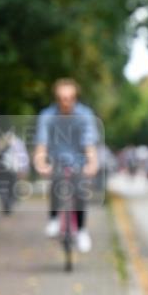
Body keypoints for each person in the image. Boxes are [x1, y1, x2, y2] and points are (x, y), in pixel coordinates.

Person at [33, 78, 99, 252]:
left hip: (79, 160)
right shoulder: (47, 116)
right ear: (57, 98)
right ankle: (54, 219)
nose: (66, 102)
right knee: (55, 183)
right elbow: (41, 143)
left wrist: (92, 163)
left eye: (70, 97)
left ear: (75, 97)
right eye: (62, 98)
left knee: (81, 191)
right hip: (56, 160)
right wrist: (41, 163)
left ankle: (82, 231)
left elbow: (89, 143)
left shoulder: (85, 115)